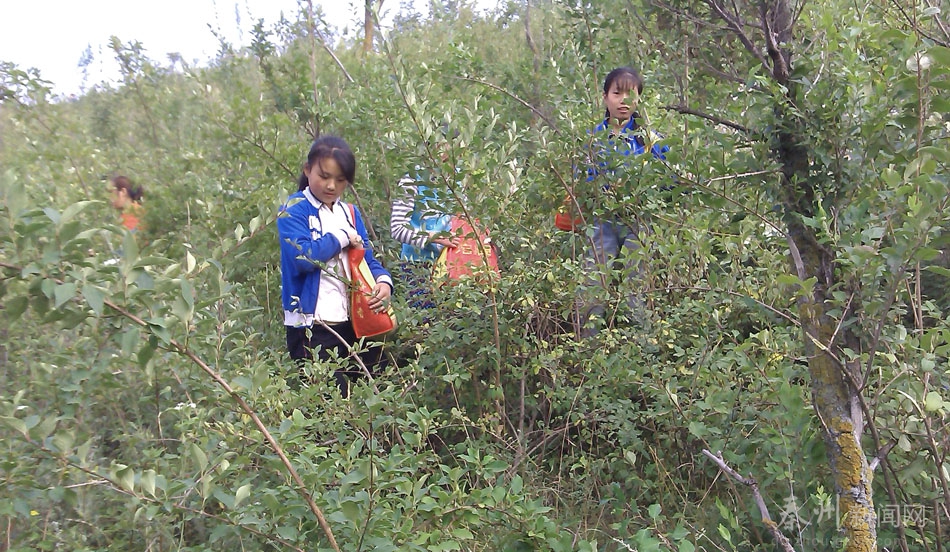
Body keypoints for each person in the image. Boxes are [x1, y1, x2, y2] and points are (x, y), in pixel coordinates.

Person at [277, 135, 394, 398]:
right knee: (331, 404)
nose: (331, 185)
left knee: (381, 388)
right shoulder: (293, 211)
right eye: (324, 176)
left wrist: (384, 281)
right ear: (307, 170)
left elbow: (366, 259)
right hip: (312, 326)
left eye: (340, 180)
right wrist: (341, 237)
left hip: (353, 321)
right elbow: (303, 258)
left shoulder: (349, 213)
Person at [577, 66, 671, 337]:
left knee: (635, 287)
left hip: (637, 221)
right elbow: (582, 181)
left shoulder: (650, 138)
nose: (624, 101)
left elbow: (668, 178)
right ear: (605, 97)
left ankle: (643, 352)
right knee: (594, 284)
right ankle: (588, 353)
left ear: (639, 99)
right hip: (601, 220)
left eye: (631, 94)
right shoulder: (593, 138)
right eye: (617, 93)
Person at [390, 141, 459, 308]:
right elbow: (397, 228)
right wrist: (433, 237)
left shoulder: (460, 180)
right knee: (425, 326)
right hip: (419, 267)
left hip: (454, 266)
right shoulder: (411, 180)